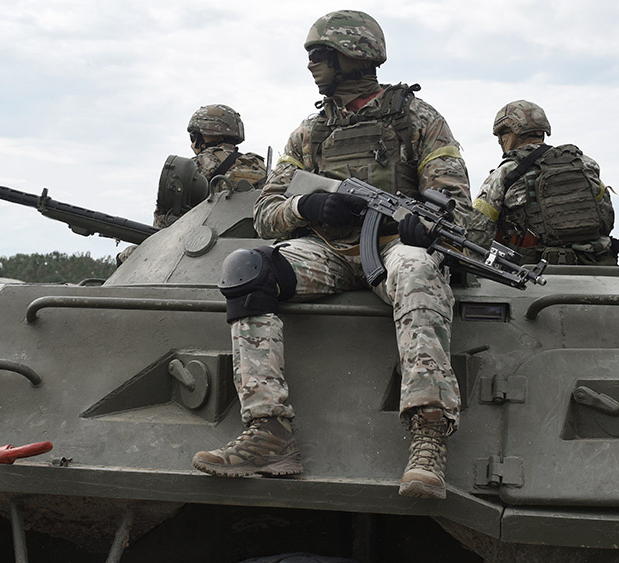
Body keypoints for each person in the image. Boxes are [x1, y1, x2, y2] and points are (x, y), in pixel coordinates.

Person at [191, 10, 473, 500]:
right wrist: (307, 206)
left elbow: (456, 205)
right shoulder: (310, 133)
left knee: (419, 270)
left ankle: (428, 435)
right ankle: (268, 431)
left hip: (392, 248)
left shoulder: (418, 119)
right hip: (327, 252)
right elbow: (266, 213)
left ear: (355, 55)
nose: (311, 64)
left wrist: (423, 225)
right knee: (247, 268)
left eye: (321, 54)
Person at [472, 100, 619, 266]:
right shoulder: (585, 164)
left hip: (531, 271)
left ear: (513, 133)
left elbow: (477, 231)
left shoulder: (506, 172)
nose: (501, 142)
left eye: (502, 135)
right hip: (596, 266)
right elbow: (607, 218)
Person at [118, 105, 267, 265]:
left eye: (193, 136)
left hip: (202, 246)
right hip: (253, 247)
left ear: (203, 136)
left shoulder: (198, 165)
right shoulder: (259, 166)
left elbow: (163, 225)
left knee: (127, 256)